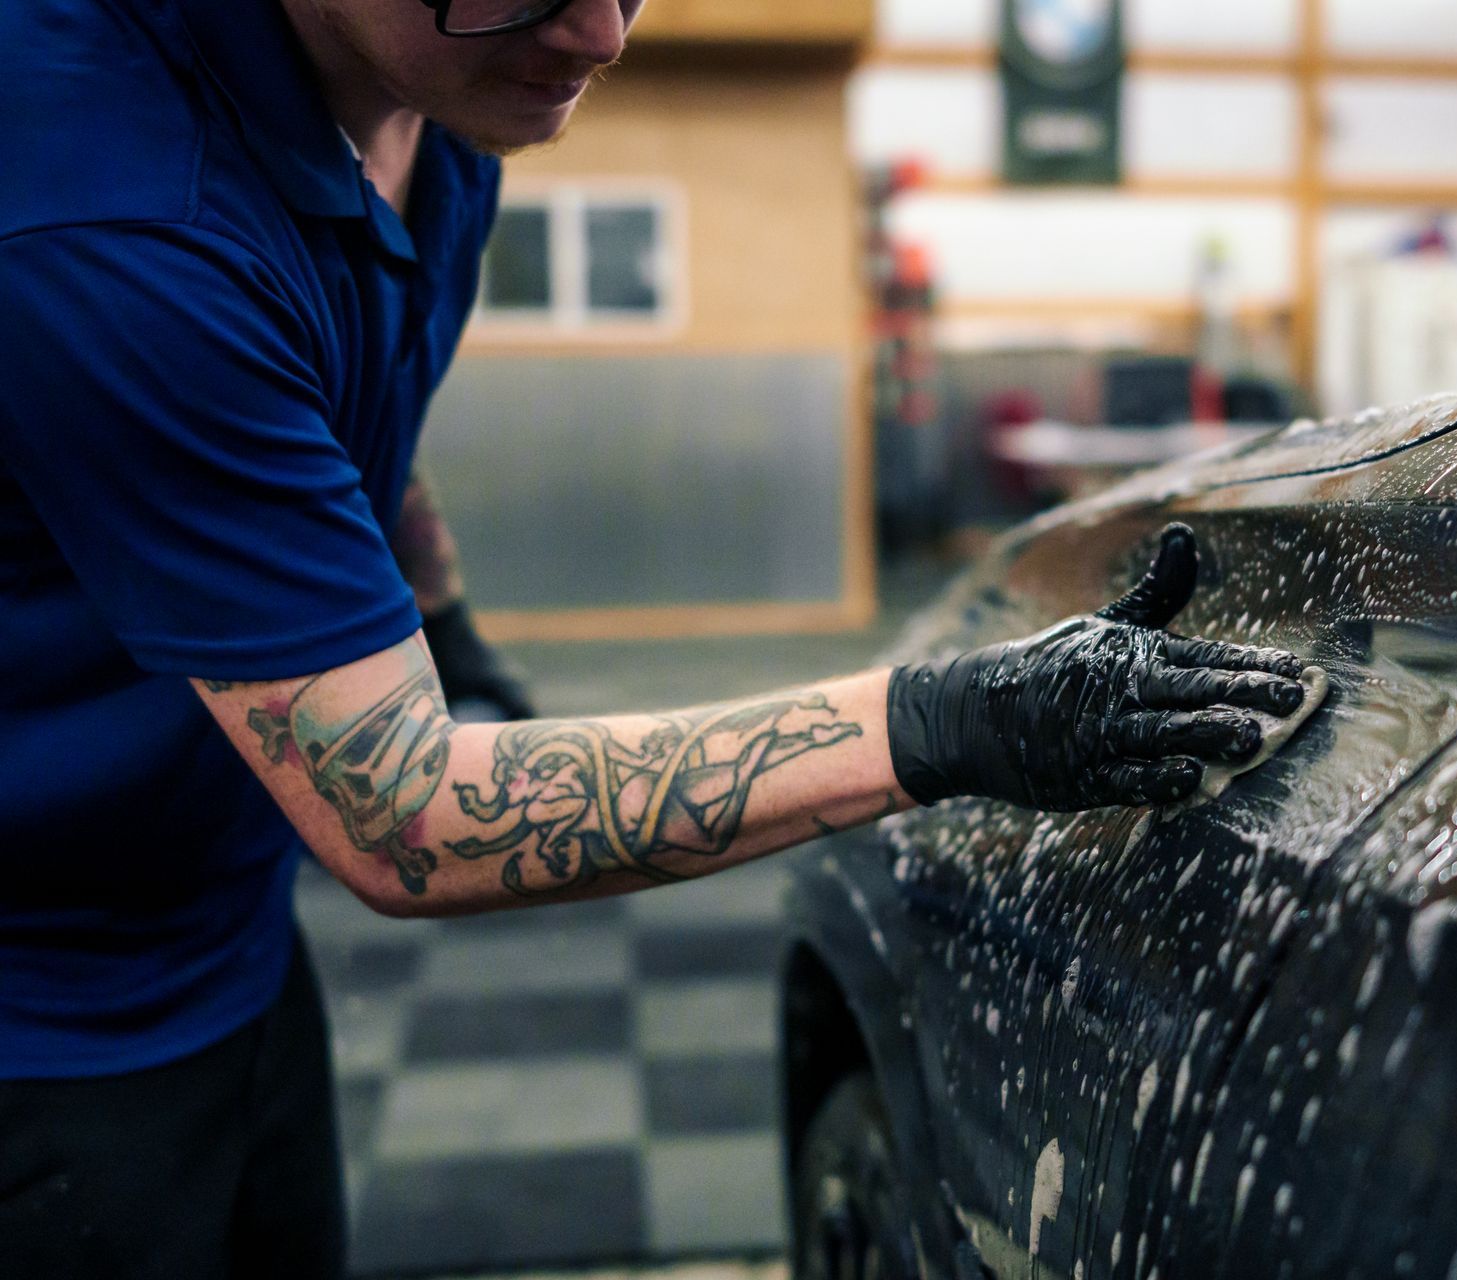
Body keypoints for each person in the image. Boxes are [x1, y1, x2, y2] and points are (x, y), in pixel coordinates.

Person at [0, 1, 1304, 1275]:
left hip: (219, 924)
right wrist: (958, 722)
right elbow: (402, 815)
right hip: (41, 1007)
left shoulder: (445, 103)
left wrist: (445, 634)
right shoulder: (111, 207)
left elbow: (337, 418)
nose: (600, 38)